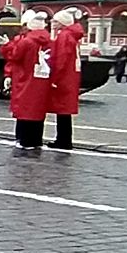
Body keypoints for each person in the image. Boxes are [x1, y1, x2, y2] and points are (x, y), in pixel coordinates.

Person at [1, 10, 52, 155]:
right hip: (42, 78)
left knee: (24, 110)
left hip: (26, 78)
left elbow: (15, 56)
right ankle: (36, 140)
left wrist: (6, 45)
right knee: (38, 110)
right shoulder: (49, 42)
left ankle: (24, 140)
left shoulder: (27, 41)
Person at [46, 8, 85, 149]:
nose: (53, 23)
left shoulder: (64, 36)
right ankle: (64, 139)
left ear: (62, 22)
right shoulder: (71, 35)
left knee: (62, 110)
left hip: (63, 77)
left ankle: (63, 140)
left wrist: (55, 78)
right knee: (65, 110)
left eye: (56, 21)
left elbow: (61, 59)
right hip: (70, 76)